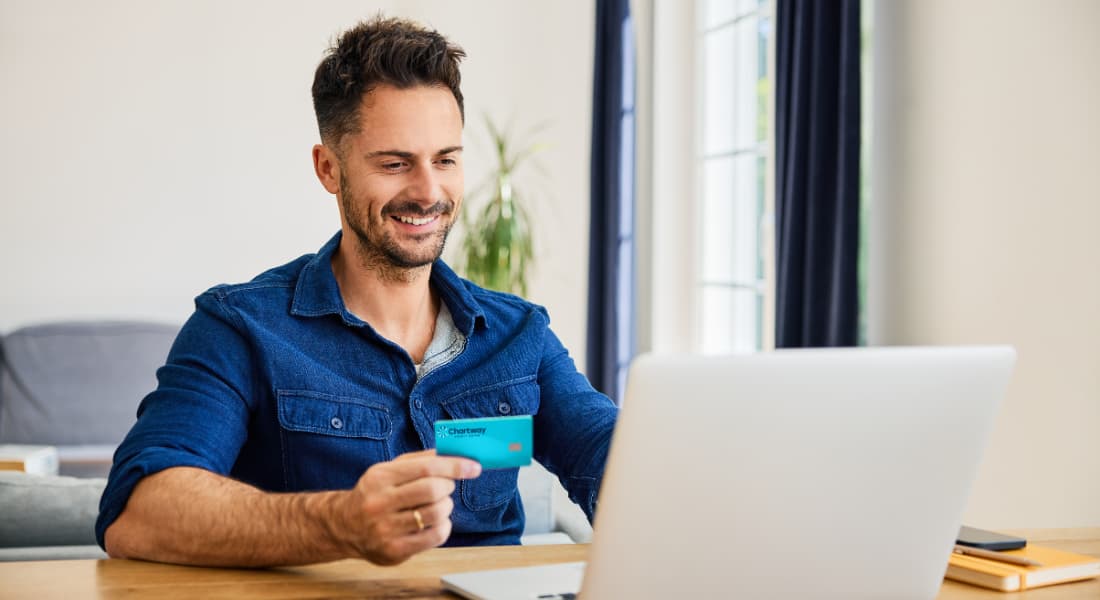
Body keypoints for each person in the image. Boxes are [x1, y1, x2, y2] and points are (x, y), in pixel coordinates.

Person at [96, 16, 618, 568]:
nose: (427, 191)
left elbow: (609, 455)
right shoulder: (240, 327)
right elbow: (137, 512)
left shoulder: (520, 334)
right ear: (329, 169)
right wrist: (339, 523)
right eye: (395, 164)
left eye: (445, 160)